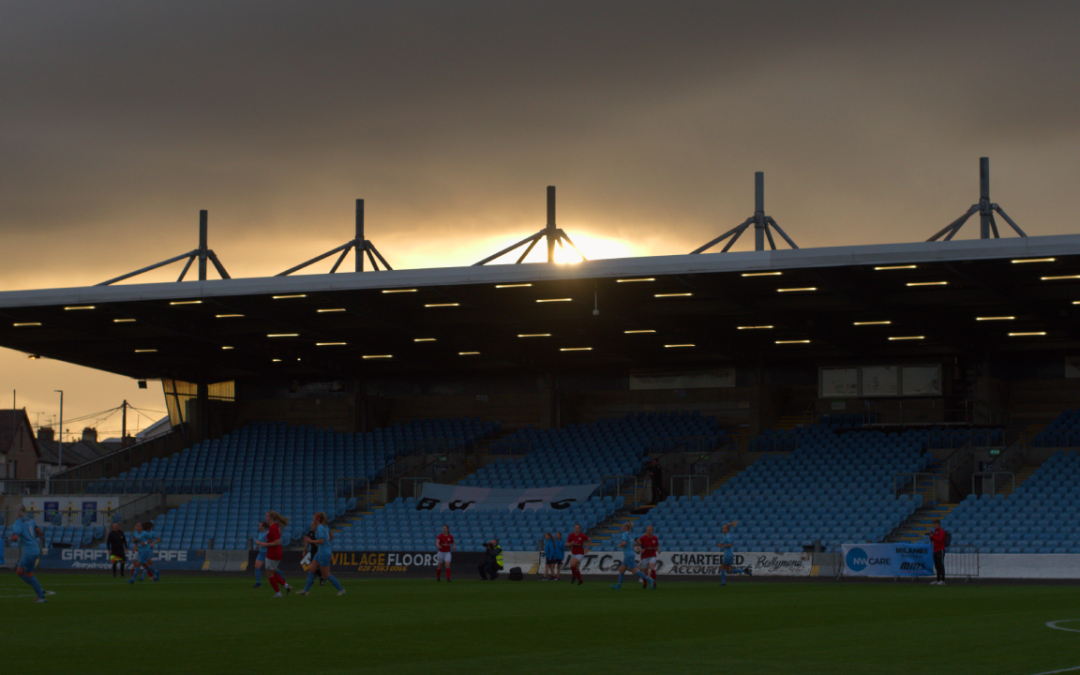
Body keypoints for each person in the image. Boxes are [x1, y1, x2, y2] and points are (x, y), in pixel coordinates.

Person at [297, 512, 345, 596]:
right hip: (320, 552)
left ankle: (341, 589)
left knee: (326, 574)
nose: (312, 519)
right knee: (311, 569)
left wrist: (311, 541)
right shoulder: (325, 527)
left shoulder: (320, 528)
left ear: (317, 519)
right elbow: (331, 537)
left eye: (314, 518)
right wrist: (322, 542)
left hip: (324, 553)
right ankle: (306, 591)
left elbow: (322, 541)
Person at [9, 507, 47, 603]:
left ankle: (41, 597)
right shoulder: (30, 520)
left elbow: (15, 537)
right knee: (20, 572)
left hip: (30, 552)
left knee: (29, 574)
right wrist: (31, 537)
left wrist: (12, 538)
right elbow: (40, 532)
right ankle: (39, 589)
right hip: (32, 550)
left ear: (16, 513)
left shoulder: (18, 523)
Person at [256, 510, 293, 598]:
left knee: (269, 574)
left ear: (271, 518)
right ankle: (286, 586)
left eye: (267, 516)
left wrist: (264, 544)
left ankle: (278, 593)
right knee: (271, 572)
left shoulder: (273, 528)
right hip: (273, 553)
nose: (265, 518)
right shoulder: (273, 527)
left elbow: (277, 542)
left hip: (273, 553)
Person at [610, 522, 654, 591]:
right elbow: (639, 542)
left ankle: (650, 580)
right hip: (631, 554)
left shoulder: (624, 534)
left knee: (635, 572)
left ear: (626, 528)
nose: (622, 528)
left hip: (628, 555)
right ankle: (618, 586)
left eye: (623, 526)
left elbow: (623, 543)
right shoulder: (632, 533)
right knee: (622, 570)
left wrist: (620, 545)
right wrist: (632, 545)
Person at [715, 520, 751, 586]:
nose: (723, 529)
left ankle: (723, 583)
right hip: (730, 554)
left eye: (724, 528)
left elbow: (729, 545)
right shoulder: (725, 536)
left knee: (722, 568)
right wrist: (721, 543)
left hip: (728, 555)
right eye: (722, 528)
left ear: (727, 529)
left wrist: (722, 545)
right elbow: (725, 542)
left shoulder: (728, 536)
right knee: (729, 570)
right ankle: (745, 570)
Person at [303, 520, 325, 586]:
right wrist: (304, 550)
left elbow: (322, 541)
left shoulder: (319, 533)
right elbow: (307, 542)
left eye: (312, 525)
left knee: (315, 567)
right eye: (311, 525)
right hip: (313, 552)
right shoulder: (310, 533)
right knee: (314, 567)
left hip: (319, 551)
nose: (311, 527)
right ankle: (321, 577)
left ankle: (313, 580)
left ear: (315, 526)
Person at [638, 525, 660, 590]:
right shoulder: (643, 538)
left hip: (652, 555)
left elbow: (657, 545)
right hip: (645, 556)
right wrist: (640, 550)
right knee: (644, 570)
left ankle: (654, 584)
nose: (648, 531)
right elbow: (637, 545)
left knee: (652, 568)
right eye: (647, 530)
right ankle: (645, 584)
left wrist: (658, 549)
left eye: (650, 530)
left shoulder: (655, 538)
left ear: (652, 531)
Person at [929, 519, 948, 585]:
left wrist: (933, 536)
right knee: (936, 565)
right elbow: (933, 540)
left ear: (939, 525)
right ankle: (938, 579)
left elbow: (940, 539)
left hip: (940, 550)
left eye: (936, 524)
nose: (934, 525)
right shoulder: (935, 531)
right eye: (934, 524)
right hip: (935, 549)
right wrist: (931, 536)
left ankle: (942, 580)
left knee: (940, 565)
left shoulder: (941, 531)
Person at [253, 521, 268, 588]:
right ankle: (258, 583)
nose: (258, 527)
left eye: (260, 526)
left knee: (273, 569)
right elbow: (260, 542)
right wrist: (258, 545)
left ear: (263, 527)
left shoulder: (267, 534)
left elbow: (269, 543)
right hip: (261, 553)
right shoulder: (259, 534)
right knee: (256, 566)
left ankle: (283, 580)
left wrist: (260, 542)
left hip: (268, 553)